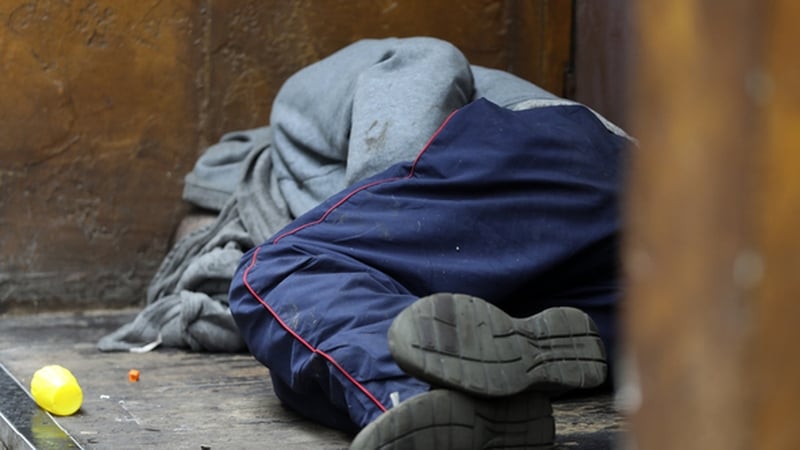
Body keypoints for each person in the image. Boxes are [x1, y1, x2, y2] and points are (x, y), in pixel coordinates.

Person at [228, 37, 631, 447]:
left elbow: (431, 58)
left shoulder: (297, 102)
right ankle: (492, 408)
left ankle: (415, 391)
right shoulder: (295, 193)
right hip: (617, 256)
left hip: (546, 151)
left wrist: (394, 213)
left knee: (273, 270)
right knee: (305, 370)